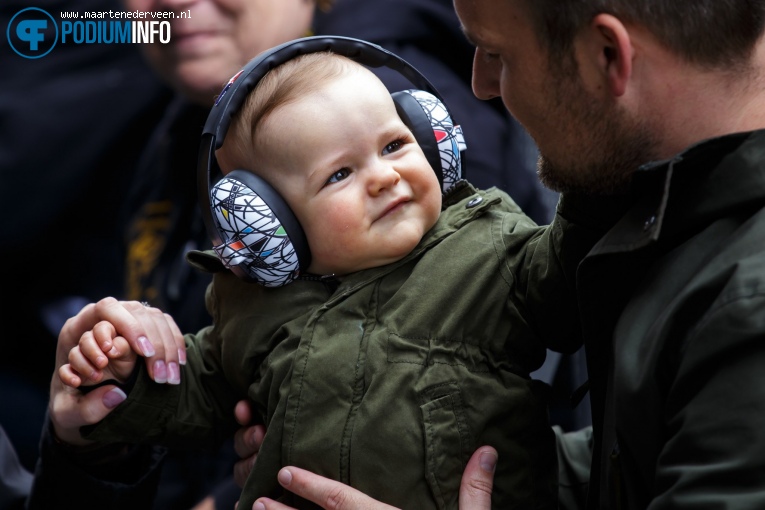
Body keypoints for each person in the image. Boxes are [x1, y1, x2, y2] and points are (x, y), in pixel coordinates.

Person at [236, 0, 765, 508]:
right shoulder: (685, 204)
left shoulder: (746, 306)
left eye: (496, 54)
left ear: (607, 55)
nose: (481, 86)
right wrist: (382, 453)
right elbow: (644, 466)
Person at [59, 46, 605, 509]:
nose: (384, 177)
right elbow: (198, 391)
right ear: (275, 228)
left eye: (394, 145)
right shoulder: (251, 307)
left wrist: (588, 183)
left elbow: (565, 277)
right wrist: (129, 374)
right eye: (340, 174)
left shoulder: (488, 247)